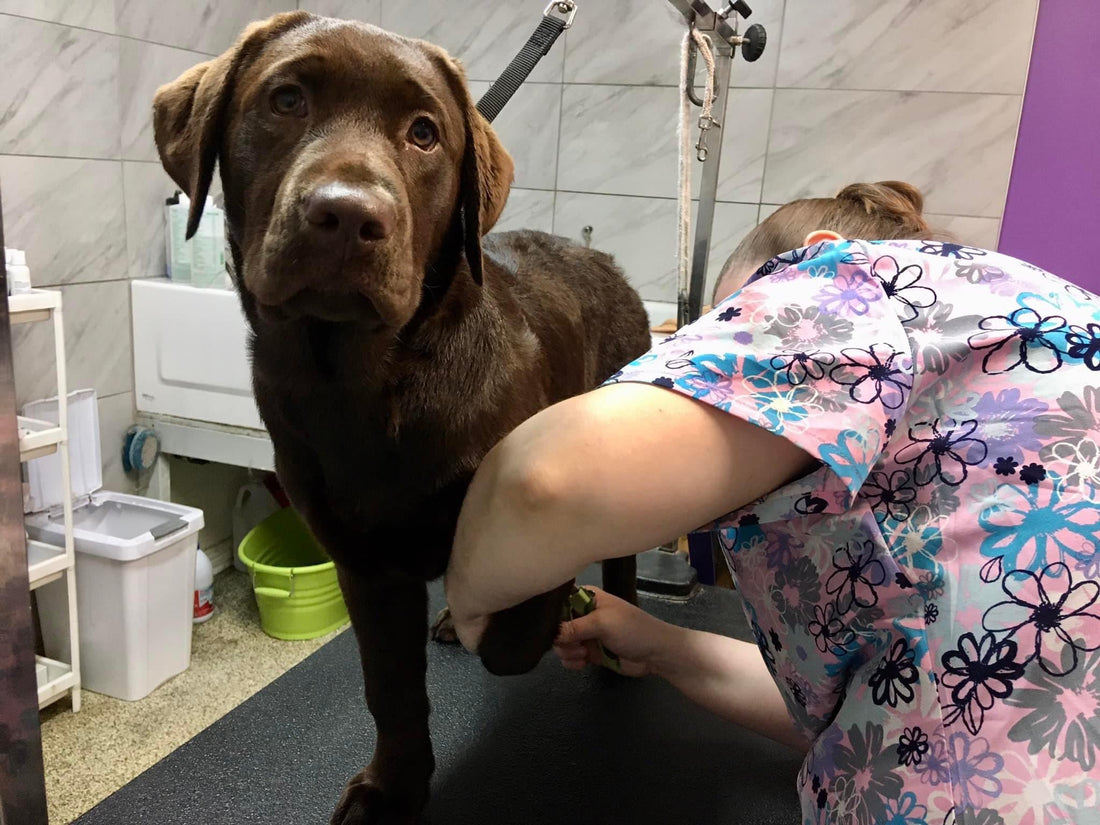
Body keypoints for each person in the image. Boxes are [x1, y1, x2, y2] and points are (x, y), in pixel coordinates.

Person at [444, 181, 1100, 824]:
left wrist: (474, 605)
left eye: (726, 324)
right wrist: (663, 646)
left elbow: (544, 483)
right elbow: (874, 720)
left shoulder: (845, 280)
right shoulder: (1034, 340)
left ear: (809, 263)